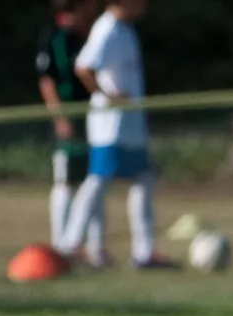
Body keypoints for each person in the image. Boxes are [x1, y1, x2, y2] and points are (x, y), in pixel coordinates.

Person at [57, 0, 175, 268]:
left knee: (143, 181)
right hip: (110, 125)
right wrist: (106, 95)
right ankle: (70, 244)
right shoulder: (106, 29)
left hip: (131, 125)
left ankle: (144, 253)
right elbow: (84, 67)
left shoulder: (125, 29)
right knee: (98, 181)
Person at [36, 0, 108, 262]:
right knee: (65, 180)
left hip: (92, 117)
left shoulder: (88, 36)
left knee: (94, 179)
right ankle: (61, 245)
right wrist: (60, 116)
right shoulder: (54, 38)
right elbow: (47, 80)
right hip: (69, 116)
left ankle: (94, 247)